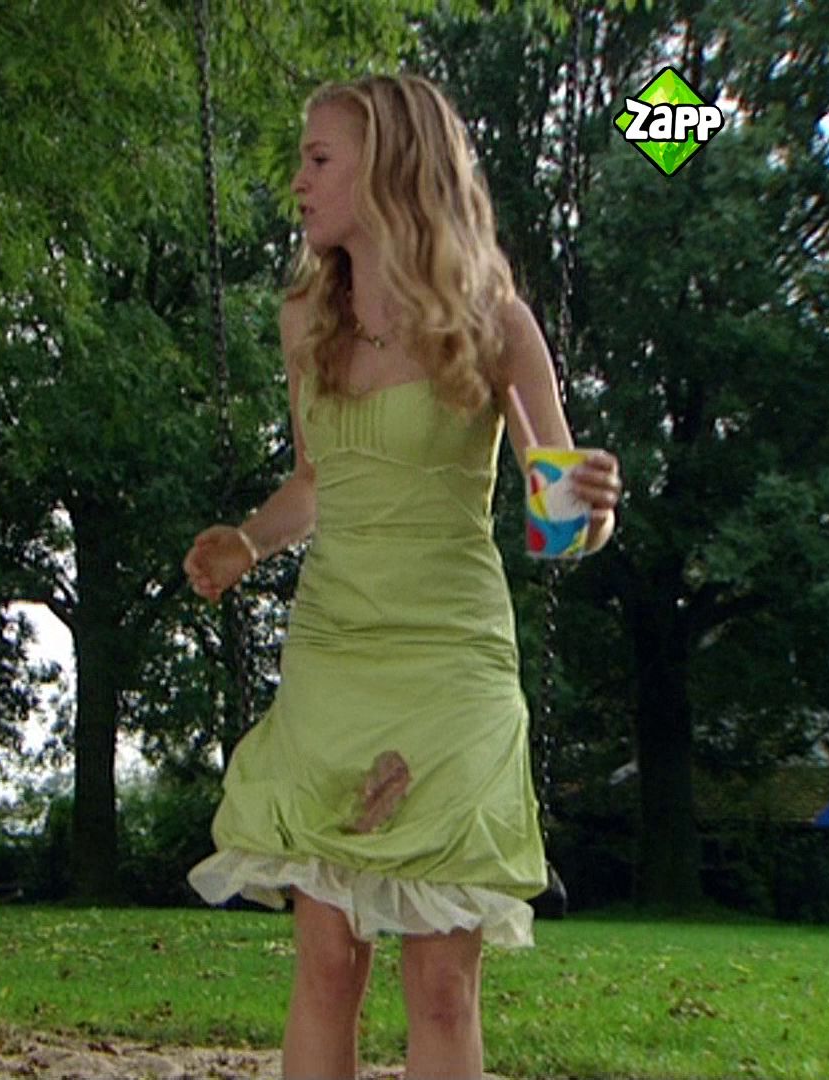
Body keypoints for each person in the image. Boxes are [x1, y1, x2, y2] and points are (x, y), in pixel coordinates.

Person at [182, 75, 621, 1079]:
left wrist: (590, 508)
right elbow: (317, 481)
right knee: (327, 965)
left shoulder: (493, 322)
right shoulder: (307, 318)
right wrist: (248, 542)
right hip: (336, 653)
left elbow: (559, 528)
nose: (298, 181)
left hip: (454, 665)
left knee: (442, 985)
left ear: (389, 168)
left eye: (318, 159)